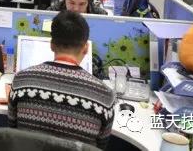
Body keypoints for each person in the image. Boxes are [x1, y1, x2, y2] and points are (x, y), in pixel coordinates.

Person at [8, 10, 115, 149]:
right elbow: (100, 147)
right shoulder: (105, 95)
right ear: (86, 48)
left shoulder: (21, 80)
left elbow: (12, 129)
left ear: (51, 45)